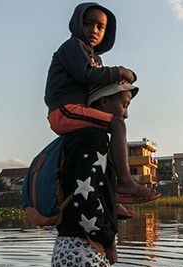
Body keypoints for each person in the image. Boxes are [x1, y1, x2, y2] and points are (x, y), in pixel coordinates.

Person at [51, 82, 140, 267]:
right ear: (102, 104)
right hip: (83, 253)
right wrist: (109, 241)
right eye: (123, 105)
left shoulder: (77, 138)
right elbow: (86, 201)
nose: (125, 114)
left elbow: (92, 192)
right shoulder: (94, 137)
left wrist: (113, 212)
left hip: (83, 251)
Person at [44, 2, 159, 204]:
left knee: (104, 144)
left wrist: (116, 80)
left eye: (100, 26)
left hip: (77, 109)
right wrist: (119, 71)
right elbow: (87, 74)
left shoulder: (93, 57)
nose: (93, 30)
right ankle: (125, 181)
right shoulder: (73, 46)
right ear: (77, 23)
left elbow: (96, 84)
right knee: (117, 124)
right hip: (64, 110)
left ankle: (109, 197)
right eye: (88, 24)